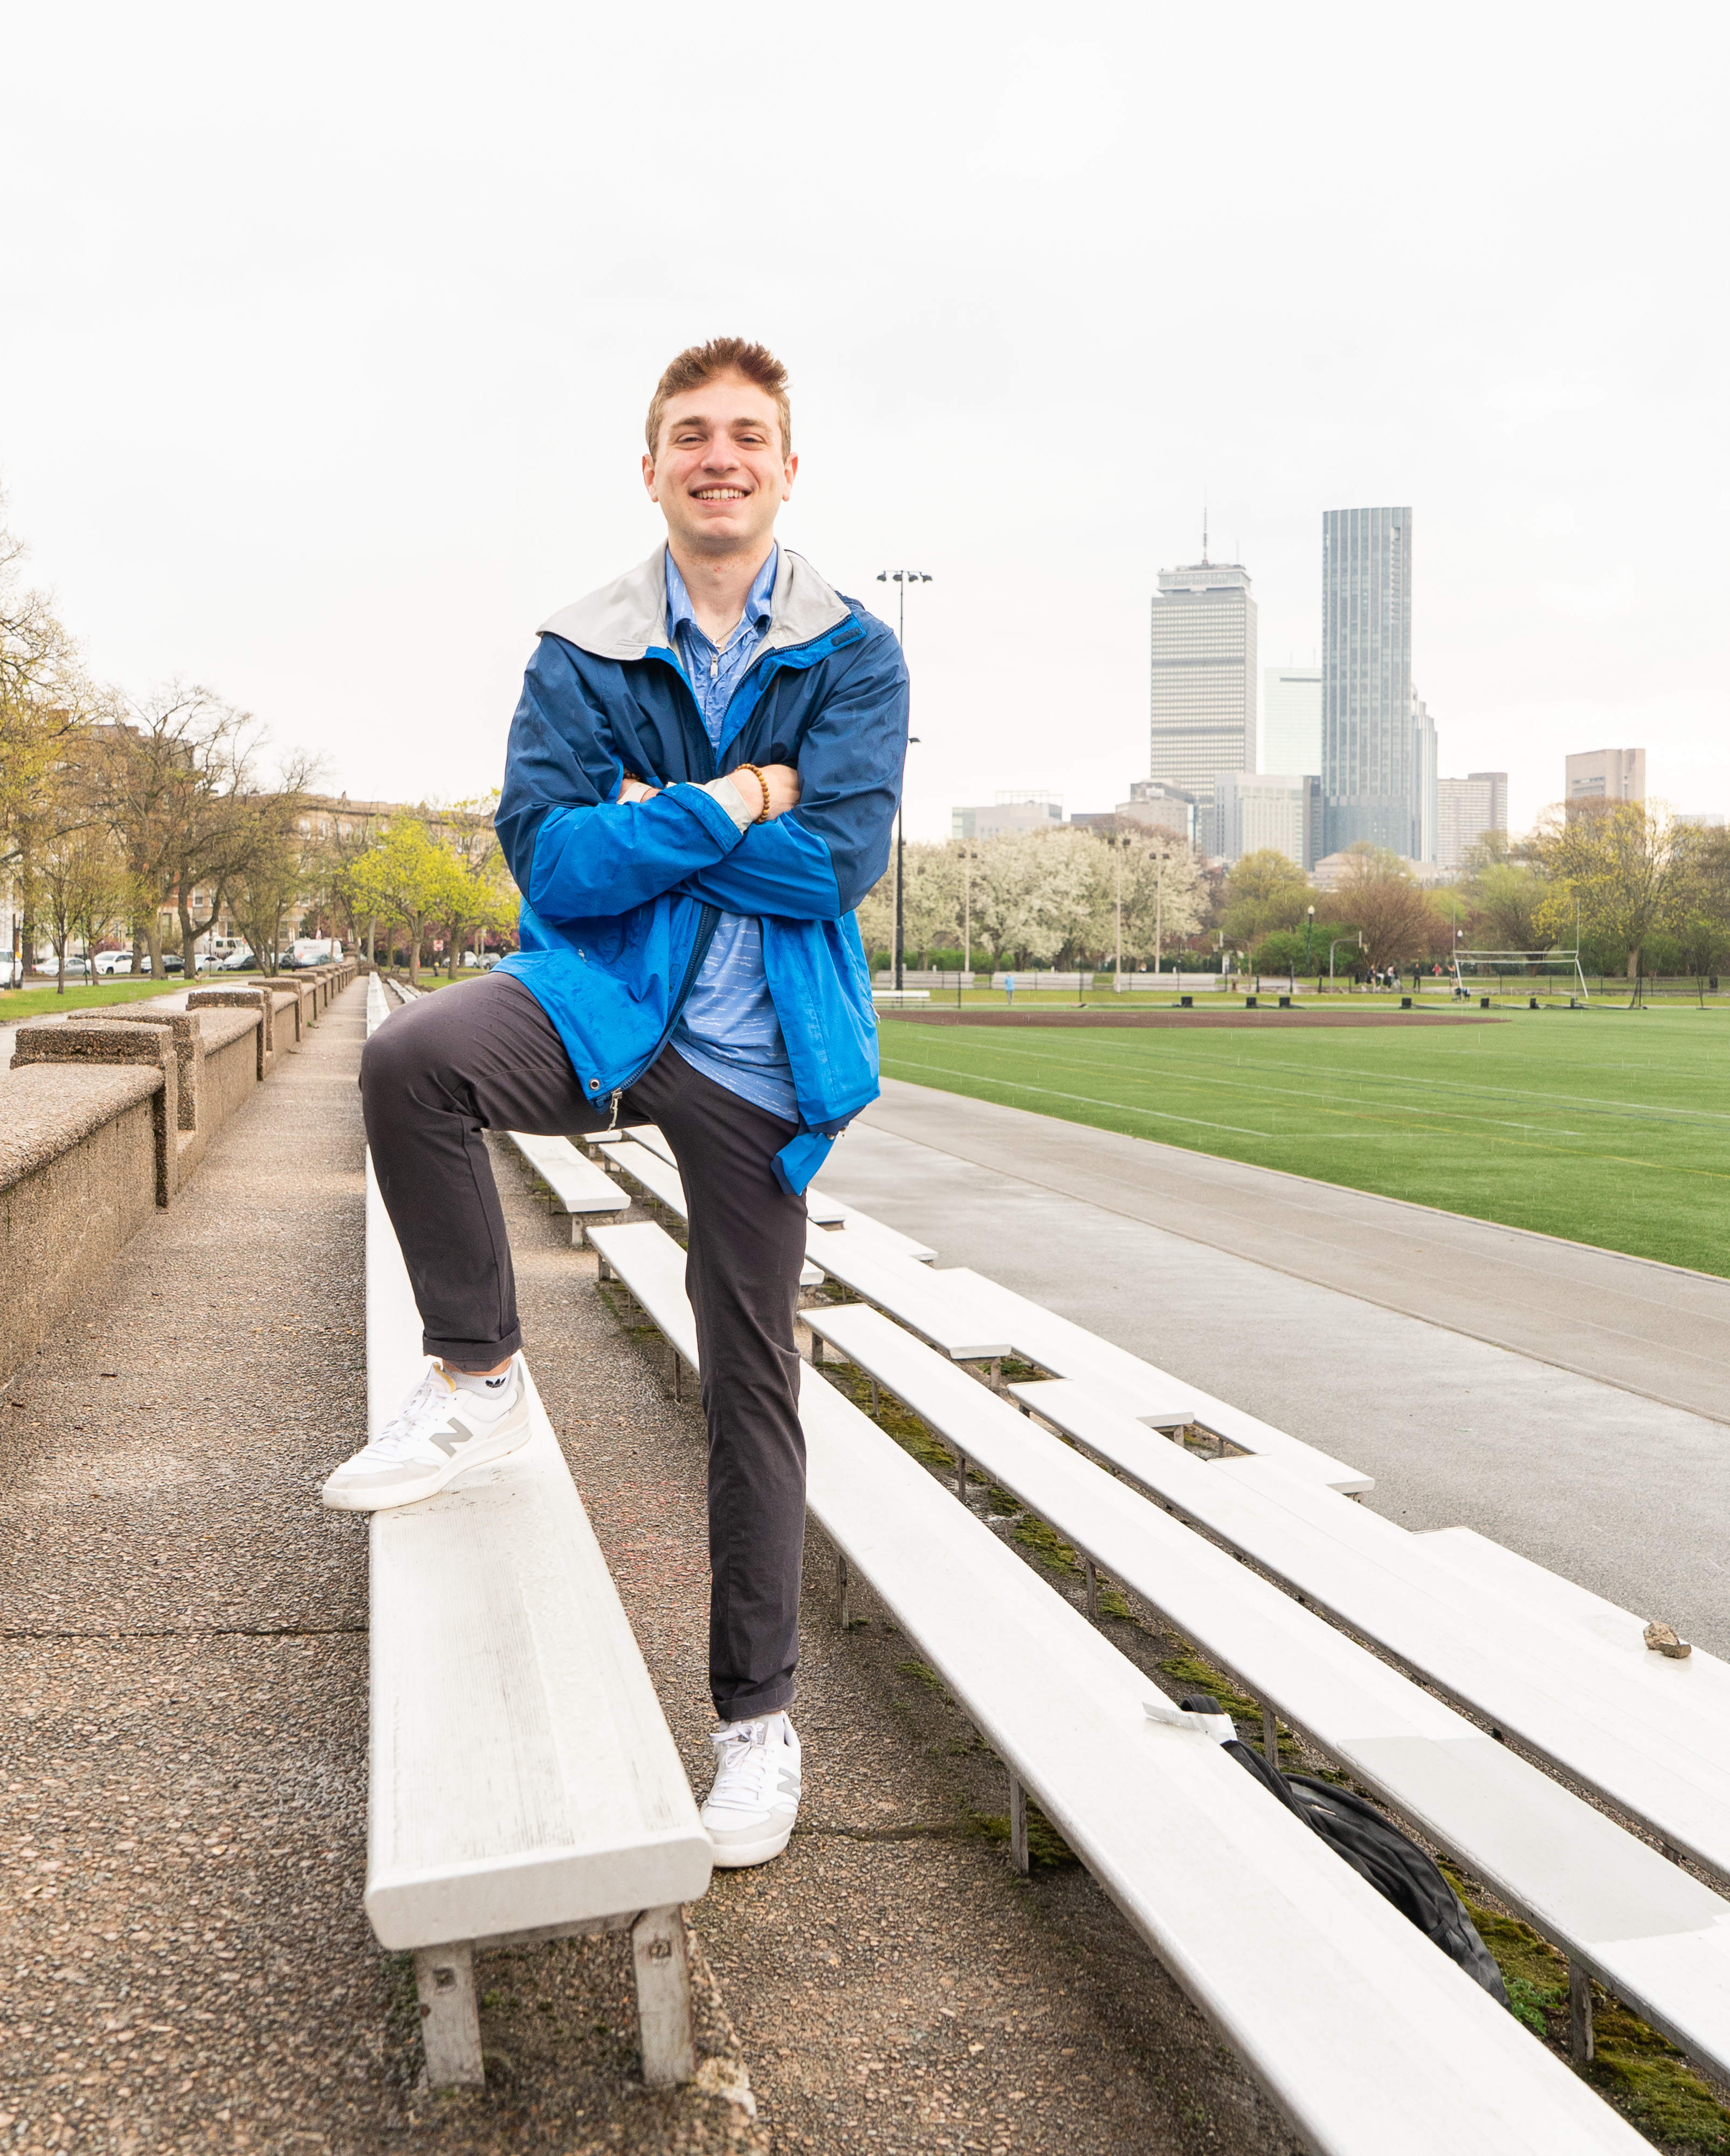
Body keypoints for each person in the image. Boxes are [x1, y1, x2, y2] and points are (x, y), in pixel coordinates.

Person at [321, 338, 908, 1869]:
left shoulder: (851, 650)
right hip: (604, 1004)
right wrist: (740, 795)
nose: (721, 457)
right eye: (691, 436)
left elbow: (836, 864)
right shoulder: (580, 647)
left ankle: (756, 1726)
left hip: (757, 1047)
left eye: (749, 437)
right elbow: (556, 866)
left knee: (750, 1383)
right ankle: (480, 1378)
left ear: (789, 469)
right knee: (413, 1061)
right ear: (650, 467)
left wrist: (666, 820)